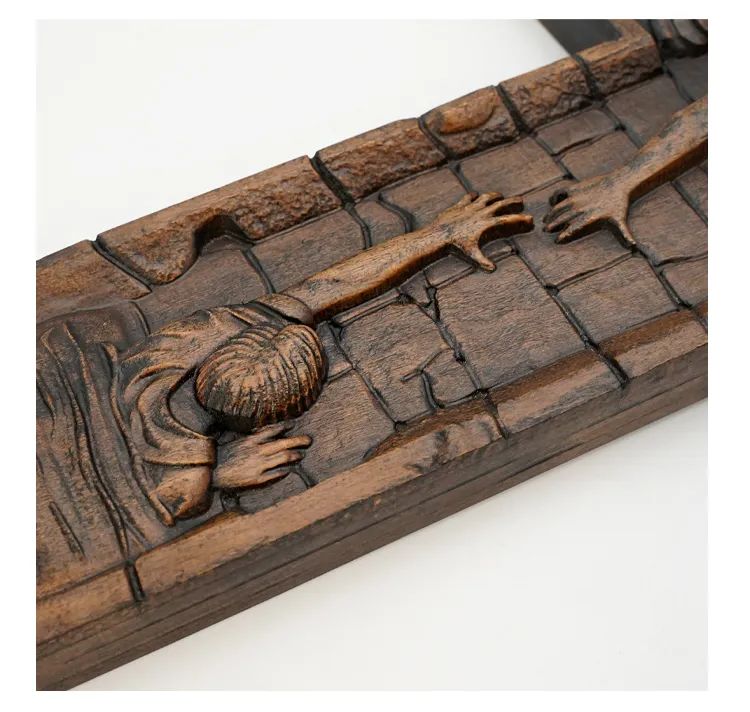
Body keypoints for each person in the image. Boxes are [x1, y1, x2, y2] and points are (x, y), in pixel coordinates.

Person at [37, 192, 532, 594]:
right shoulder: (185, 486)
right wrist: (217, 478)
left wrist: (438, 232)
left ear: (216, 355)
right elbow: (145, 520)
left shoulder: (169, 348)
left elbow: (324, 288)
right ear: (263, 423)